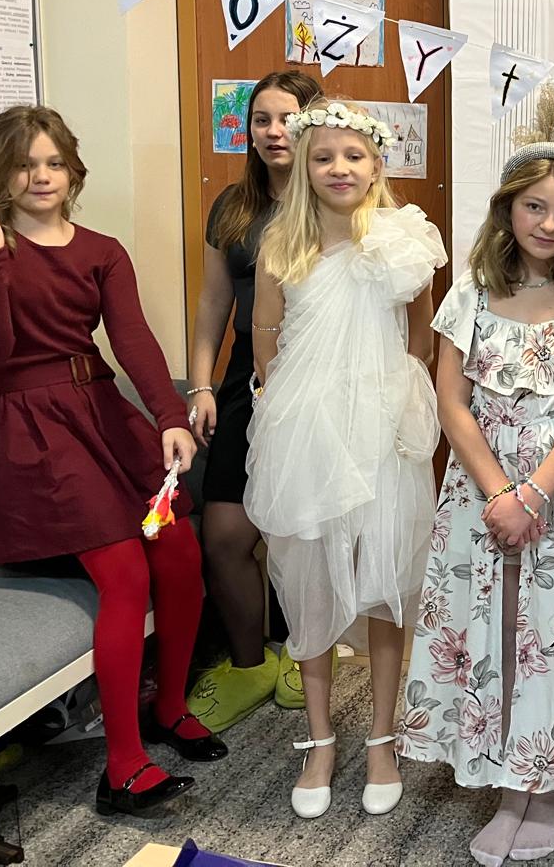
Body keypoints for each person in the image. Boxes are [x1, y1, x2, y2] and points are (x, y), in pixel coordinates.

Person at [0, 105, 225, 818]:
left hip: (102, 414)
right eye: (24, 164)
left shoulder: (102, 250)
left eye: (54, 163)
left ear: (73, 171)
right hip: (32, 429)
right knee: (126, 572)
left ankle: (169, 706)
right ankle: (122, 769)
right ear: (0, 174)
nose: (41, 176)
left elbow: (132, 340)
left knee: (178, 549)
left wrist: (168, 417)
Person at [401, 143, 554, 867]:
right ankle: (507, 785)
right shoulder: (471, 291)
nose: (549, 224)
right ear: (508, 208)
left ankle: (547, 782)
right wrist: (501, 491)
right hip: (482, 487)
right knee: (498, 628)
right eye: (535, 207)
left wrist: (535, 492)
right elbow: (451, 399)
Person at [243, 98, 446, 820]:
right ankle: (321, 740)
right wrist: (291, 408)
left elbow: (420, 340)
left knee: (386, 581)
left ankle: (383, 737)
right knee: (310, 584)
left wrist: (388, 402)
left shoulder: (403, 240)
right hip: (309, 435)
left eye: (353, 156)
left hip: (381, 436)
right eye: (324, 156)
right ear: (303, 165)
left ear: (377, 163)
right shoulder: (281, 247)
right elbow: (265, 338)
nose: (339, 168)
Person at [184, 69, 321, 732]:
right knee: (225, 535)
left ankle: (305, 654)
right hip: (247, 383)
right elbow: (214, 301)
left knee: (305, 535)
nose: (273, 131)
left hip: (318, 383)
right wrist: (202, 384)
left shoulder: (337, 202)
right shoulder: (233, 207)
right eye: (261, 119)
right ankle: (248, 664)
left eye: (287, 118)